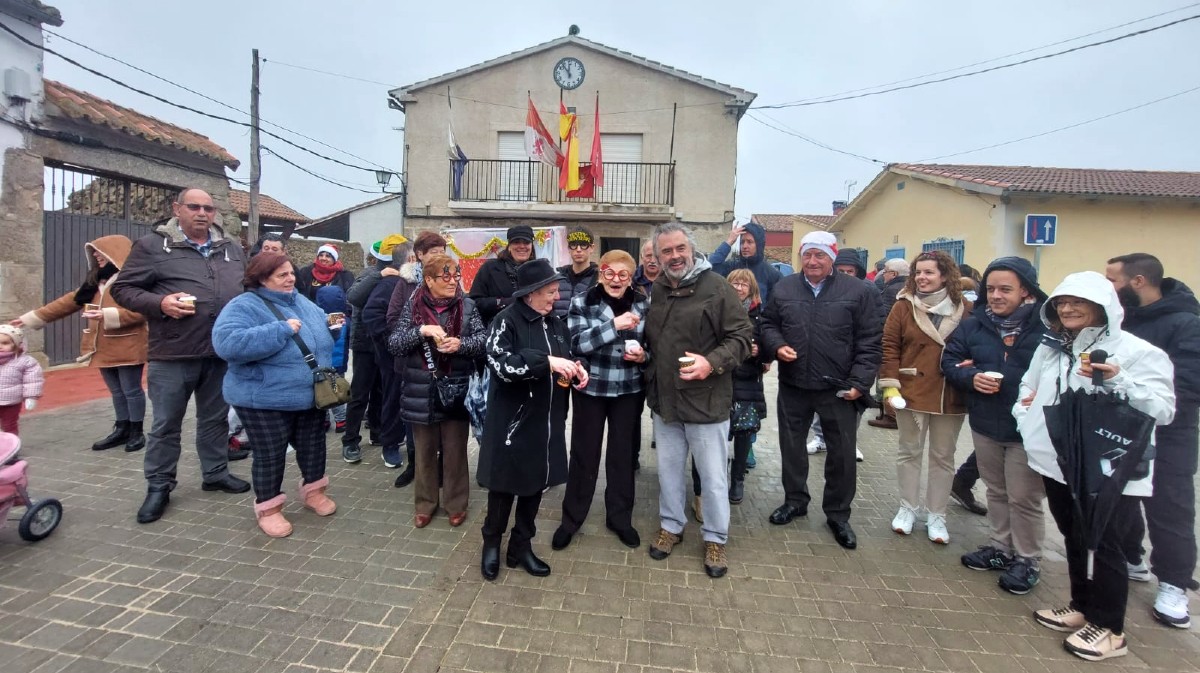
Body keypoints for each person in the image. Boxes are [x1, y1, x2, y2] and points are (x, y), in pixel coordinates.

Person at [1017, 271, 1175, 662]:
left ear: (1103, 306)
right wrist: (1024, 415)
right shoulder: (1051, 346)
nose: (1068, 309)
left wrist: (1121, 380)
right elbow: (1028, 386)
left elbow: (1164, 409)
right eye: (1061, 303)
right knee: (1072, 534)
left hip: (1109, 468)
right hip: (1056, 460)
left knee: (1106, 546)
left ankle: (1110, 629)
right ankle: (1080, 605)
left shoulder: (1137, 351)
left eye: (1078, 303)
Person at [110, 188, 250, 525]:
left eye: (208, 207)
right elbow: (123, 289)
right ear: (177, 209)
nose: (202, 213)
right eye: (194, 206)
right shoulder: (153, 246)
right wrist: (160, 304)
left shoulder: (230, 248)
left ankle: (215, 473)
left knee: (215, 419)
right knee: (165, 424)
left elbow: (246, 289)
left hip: (219, 351)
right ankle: (159, 485)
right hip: (173, 351)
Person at [643, 223, 752, 578]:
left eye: (679, 249)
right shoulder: (658, 288)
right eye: (666, 252)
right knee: (669, 472)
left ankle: (716, 538)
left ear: (691, 249)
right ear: (657, 258)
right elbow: (656, 338)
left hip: (706, 402)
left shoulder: (717, 287)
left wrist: (711, 363)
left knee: (713, 477)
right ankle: (671, 527)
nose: (674, 256)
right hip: (666, 401)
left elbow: (741, 338)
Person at [761, 231, 881, 550]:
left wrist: (859, 383)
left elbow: (870, 341)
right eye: (808, 255)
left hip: (838, 387)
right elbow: (768, 324)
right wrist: (777, 345)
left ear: (832, 258)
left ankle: (838, 515)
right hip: (794, 383)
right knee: (792, 447)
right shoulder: (784, 287)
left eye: (820, 256)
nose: (812, 261)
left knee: (841, 455)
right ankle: (795, 501)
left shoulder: (858, 291)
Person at [212, 253, 340, 538]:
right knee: (270, 453)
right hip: (263, 399)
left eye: (291, 273)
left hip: (309, 395)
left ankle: (314, 492)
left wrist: (331, 331)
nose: (290, 278)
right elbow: (227, 344)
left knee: (313, 446)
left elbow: (318, 339)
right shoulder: (243, 306)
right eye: (281, 275)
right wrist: (280, 329)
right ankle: (268, 508)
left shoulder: (302, 302)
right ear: (261, 277)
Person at [942, 256, 1048, 595]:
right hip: (986, 421)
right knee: (996, 490)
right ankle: (1001, 547)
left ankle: (1028, 558)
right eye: (991, 289)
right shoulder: (976, 324)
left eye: (1006, 289)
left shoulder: (1047, 327)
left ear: (1026, 292)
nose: (997, 296)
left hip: (1027, 428)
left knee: (1024, 496)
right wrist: (972, 377)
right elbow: (950, 360)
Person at [476, 259, 587, 581]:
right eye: (551, 292)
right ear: (531, 293)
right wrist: (545, 362)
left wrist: (576, 368)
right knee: (503, 486)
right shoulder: (505, 321)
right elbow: (502, 366)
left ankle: (521, 546)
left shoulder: (555, 323)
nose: (556, 297)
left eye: (556, 291)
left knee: (534, 486)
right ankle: (492, 544)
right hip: (513, 422)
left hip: (547, 420)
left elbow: (564, 357)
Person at [1107, 253, 1200, 628]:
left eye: (1112, 280)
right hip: (1122, 428)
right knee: (1120, 497)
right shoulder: (1122, 320)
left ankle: (1175, 584)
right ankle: (1132, 557)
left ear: (1138, 282)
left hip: (1171, 433)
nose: (1108, 287)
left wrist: (1130, 390)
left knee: (1169, 506)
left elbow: (1189, 386)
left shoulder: (1187, 324)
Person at [13, 235, 148, 451]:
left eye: (100, 251)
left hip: (128, 344)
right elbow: (67, 302)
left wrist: (108, 315)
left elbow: (142, 310)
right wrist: (31, 318)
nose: (95, 255)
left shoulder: (134, 280)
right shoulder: (95, 282)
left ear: (116, 252)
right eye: (93, 251)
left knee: (131, 390)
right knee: (116, 391)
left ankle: (137, 431)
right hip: (101, 347)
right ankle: (121, 428)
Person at [552, 250, 647, 551]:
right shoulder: (583, 301)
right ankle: (571, 519)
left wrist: (644, 356)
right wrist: (614, 326)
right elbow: (577, 342)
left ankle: (619, 518)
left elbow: (652, 346)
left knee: (622, 458)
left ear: (631, 278)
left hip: (627, 391)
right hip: (591, 388)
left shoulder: (644, 304)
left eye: (623, 274)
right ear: (601, 273)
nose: (616, 280)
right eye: (609, 273)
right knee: (584, 454)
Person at [878, 251, 971, 545]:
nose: (922, 278)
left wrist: (973, 363)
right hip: (911, 390)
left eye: (929, 272)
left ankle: (937, 514)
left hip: (949, 393)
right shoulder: (903, 307)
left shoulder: (965, 309)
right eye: (918, 272)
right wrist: (889, 386)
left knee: (943, 457)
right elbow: (889, 345)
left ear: (945, 275)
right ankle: (907, 508)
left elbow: (976, 344)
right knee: (909, 452)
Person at [389, 254, 485, 529]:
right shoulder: (413, 305)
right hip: (420, 390)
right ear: (428, 280)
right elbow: (394, 344)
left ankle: (456, 504)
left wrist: (461, 345)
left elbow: (483, 340)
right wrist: (421, 331)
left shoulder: (468, 306)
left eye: (456, 275)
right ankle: (425, 504)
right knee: (424, 452)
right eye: (446, 276)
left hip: (455, 388)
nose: (453, 281)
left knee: (455, 451)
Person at [379, 232, 448, 487]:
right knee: (413, 417)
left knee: (443, 415)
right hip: (412, 360)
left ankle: (440, 467)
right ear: (419, 255)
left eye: (442, 250)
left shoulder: (451, 279)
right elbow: (392, 319)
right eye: (433, 251)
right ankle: (414, 465)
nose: (439, 255)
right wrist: (422, 330)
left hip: (443, 362)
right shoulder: (406, 282)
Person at [342, 235, 409, 463]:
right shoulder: (370, 273)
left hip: (385, 345)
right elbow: (353, 297)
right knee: (360, 392)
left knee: (382, 391)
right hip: (365, 344)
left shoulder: (403, 276)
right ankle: (350, 440)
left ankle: (378, 433)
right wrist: (379, 275)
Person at [808, 250, 879, 460]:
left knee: (853, 403)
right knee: (821, 402)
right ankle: (820, 438)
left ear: (858, 272)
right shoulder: (824, 289)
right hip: (827, 357)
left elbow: (876, 325)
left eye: (851, 271)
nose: (846, 275)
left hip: (856, 359)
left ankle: (849, 442)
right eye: (841, 271)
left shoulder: (868, 291)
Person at [725, 269, 766, 505]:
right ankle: (719, 476)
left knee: (743, 434)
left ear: (751, 289)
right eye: (734, 283)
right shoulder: (719, 309)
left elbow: (769, 343)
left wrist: (760, 351)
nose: (739, 288)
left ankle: (737, 478)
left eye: (744, 284)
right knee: (720, 435)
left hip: (748, 381)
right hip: (722, 380)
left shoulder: (760, 315)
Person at [869, 258, 910, 430]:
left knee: (886, 374)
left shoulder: (891, 289)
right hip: (905, 342)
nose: (883, 274)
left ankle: (890, 415)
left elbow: (883, 316)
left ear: (893, 274)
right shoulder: (907, 287)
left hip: (890, 339)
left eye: (885, 271)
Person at [468, 225, 536, 326]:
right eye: (516, 242)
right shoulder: (490, 268)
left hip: (531, 328)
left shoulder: (539, 269)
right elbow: (474, 302)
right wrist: (503, 302)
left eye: (526, 242)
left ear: (531, 246)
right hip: (498, 328)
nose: (522, 246)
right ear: (509, 246)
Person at [709, 220, 783, 302]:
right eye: (742, 242)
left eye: (749, 242)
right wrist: (729, 242)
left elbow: (774, 306)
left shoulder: (772, 274)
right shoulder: (731, 267)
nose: (744, 246)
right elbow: (710, 268)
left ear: (759, 245)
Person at [315, 285, 351, 432]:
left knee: (322, 391)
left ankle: (324, 420)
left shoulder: (318, 320)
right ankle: (341, 420)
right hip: (339, 363)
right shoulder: (344, 320)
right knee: (337, 391)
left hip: (321, 363)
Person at [0, 325, 43, 435]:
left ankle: (11, 445)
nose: (0, 346)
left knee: (9, 425)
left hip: (11, 401)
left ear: (16, 344)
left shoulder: (25, 361)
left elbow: (33, 380)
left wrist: (31, 397)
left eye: (5, 343)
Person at [554, 226, 599, 316]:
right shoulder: (557, 279)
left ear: (592, 248)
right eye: (574, 245)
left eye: (583, 245)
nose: (578, 250)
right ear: (569, 248)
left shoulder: (600, 280)